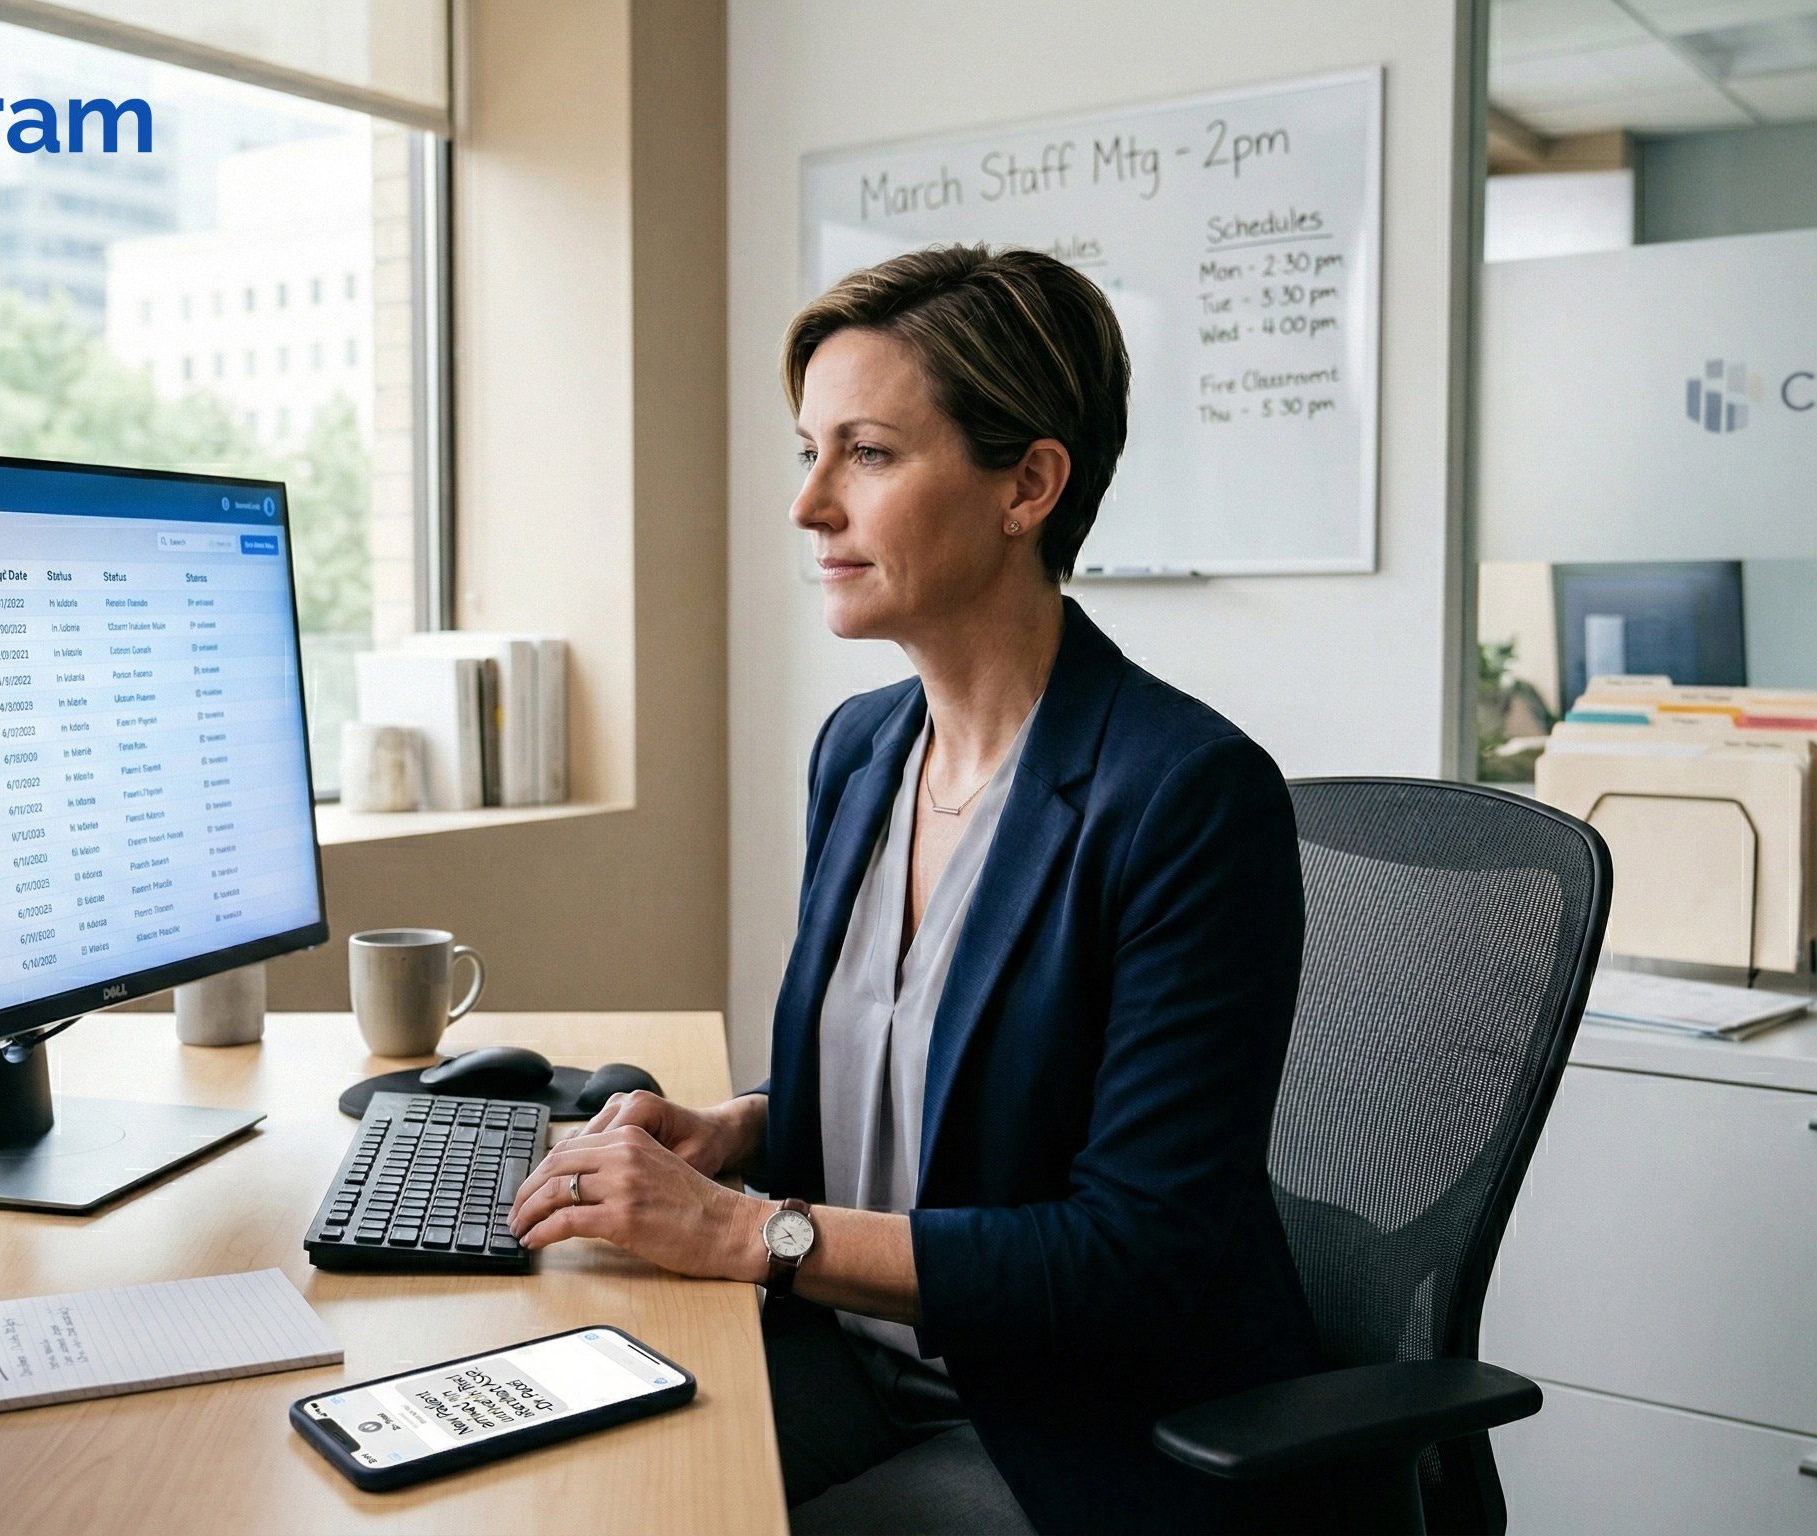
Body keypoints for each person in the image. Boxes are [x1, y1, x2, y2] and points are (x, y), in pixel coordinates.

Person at [507, 245, 1320, 1534]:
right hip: (850, 1349)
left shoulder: (1187, 796)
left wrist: (745, 1232)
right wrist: (741, 1133)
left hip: (1071, 1422)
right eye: (807, 451)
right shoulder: (863, 750)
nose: (809, 504)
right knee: (558, 1488)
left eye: (868, 455)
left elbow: (1141, 1256)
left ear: (1028, 485)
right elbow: (934, 1072)